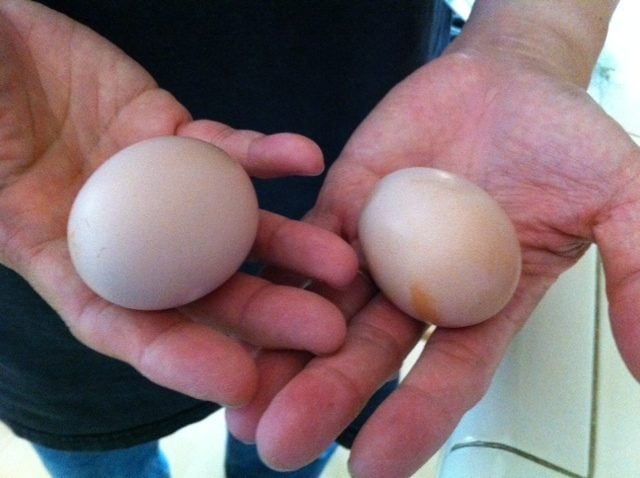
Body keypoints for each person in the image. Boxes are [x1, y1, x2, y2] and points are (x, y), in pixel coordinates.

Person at [2, 1, 638, 478]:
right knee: (102, 459)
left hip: (374, 167)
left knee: (292, 425)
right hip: (40, 248)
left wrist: (532, 36)